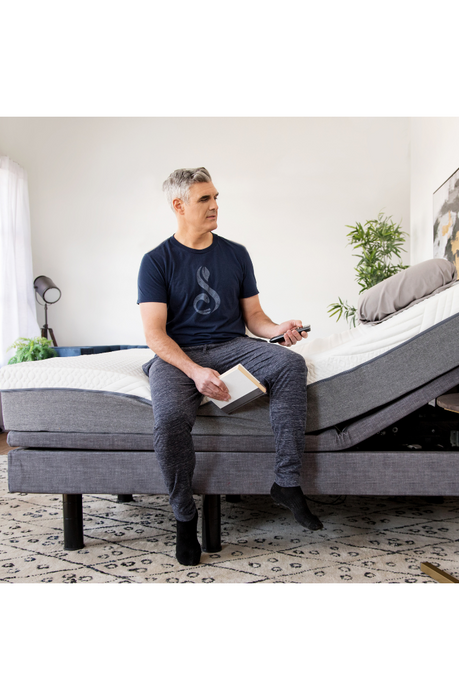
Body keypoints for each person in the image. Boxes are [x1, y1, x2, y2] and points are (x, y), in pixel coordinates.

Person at [137, 167, 322, 566]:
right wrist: (194, 372)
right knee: (169, 419)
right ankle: (184, 516)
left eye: (216, 197)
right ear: (179, 205)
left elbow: (254, 316)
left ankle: (287, 482)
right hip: (178, 353)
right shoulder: (155, 261)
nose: (215, 205)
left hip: (231, 345)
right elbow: (155, 334)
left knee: (290, 364)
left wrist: (277, 330)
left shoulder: (236, 254)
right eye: (205, 199)